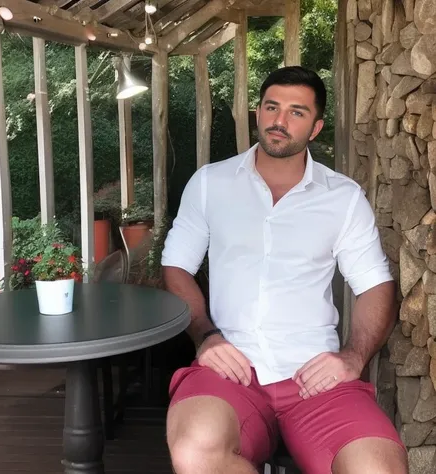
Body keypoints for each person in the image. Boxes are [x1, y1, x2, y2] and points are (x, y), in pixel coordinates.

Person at [161, 66, 407, 474]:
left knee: (378, 468)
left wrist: (352, 357)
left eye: (297, 112)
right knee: (195, 450)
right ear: (258, 113)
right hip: (230, 366)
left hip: (316, 374)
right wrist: (206, 337)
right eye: (272, 107)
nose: (279, 120)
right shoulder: (210, 183)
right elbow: (176, 267)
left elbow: (375, 285)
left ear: (316, 127)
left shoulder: (342, 198)